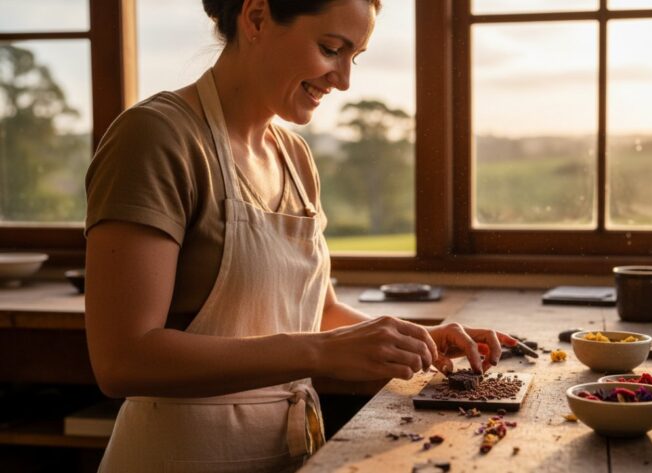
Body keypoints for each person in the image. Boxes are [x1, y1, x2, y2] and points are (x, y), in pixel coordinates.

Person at [84, 1, 517, 471]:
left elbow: (319, 311)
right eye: (332, 49)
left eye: (356, 56)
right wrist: (322, 352)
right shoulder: (156, 137)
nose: (344, 79)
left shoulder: (293, 155)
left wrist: (419, 342)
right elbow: (123, 359)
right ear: (255, 18)